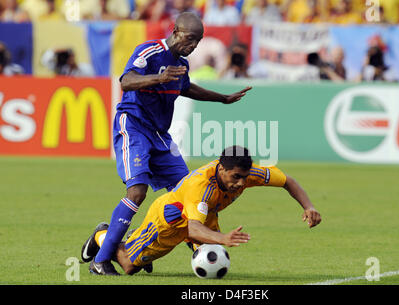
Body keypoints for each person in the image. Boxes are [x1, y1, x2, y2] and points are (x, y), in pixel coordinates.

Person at [83, 12, 252, 275]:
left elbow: (188, 89)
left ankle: (137, 246)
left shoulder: (181, 64)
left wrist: (223, 99)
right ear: (175, 32)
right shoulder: (149, 52)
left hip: (161, 135)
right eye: (190, 39)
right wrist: (157, 78)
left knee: (189, 192)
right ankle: (100, 261)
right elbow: (126, 81)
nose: (193, 45)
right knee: (137, 192)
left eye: (198, 41)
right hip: (134, 126)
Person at [82, 146, 322, 275]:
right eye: (236, 177)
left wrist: (308, 206)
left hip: (203, 217)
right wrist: (223, 238)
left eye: (244, 178)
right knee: (128, 265)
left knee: (211, 257)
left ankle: (135, 238)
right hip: (171, 219)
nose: (240, 183)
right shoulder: (201, 187)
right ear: (221, 169)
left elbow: (287, 180)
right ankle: (102, 235)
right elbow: (192, 227)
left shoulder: (247, 174)